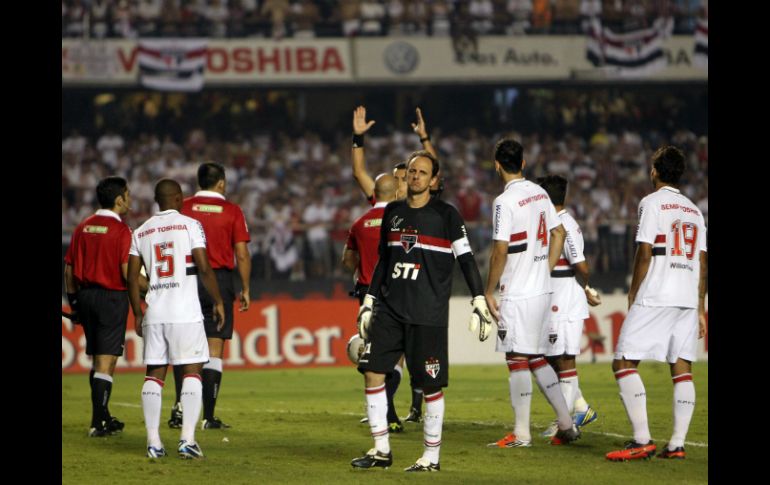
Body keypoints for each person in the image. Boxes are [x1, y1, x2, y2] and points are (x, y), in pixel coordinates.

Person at [350, 151, 494, 472]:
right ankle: (381, 450)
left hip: (427, 314)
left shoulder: (447, 216)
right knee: (372, 372)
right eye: (412, 171)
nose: (415, 177)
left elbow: (466, 259)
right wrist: (370, 301)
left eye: (422, 172)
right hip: (390, 310)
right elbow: (384, 261)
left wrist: (479, 299)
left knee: (430, 386)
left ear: (434, 180)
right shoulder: (393, 212)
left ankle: (431, 457)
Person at [605, 146, 707, 461]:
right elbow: (703, 261)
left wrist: (633, 292)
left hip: (657, 293)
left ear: (654, 172)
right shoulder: (695, 211)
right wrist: (700, 306)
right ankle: (676, 445)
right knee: (682, 368)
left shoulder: (651, 203)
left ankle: (641, 440)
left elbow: (645, 252)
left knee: (623, 362)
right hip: (687, 295)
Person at [484, 139, 581, 449]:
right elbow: (559, 232)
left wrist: (488, 290)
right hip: (542, 291)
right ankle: (566, 423)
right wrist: (545, 268)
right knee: (537, 357)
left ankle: (521, 433)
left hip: (518, 292)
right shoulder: (540, 194)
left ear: (496, 165)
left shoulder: (504, 201)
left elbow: (500, 249)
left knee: (516, 358)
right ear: (523, 163)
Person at [351, 105, 439, 424]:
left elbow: (435, 173)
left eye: (407, 177)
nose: (403, 182)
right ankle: (388, 410)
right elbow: (359, 173)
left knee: (410, 353)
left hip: (414, 286)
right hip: (384, 288)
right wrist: (358, 138)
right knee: (388, 353)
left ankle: (408, 407)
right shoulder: (387, 205)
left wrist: (425, 139)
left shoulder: (420, 204)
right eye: (400, 177)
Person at [127, 178, 225, 459]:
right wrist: (218, 301)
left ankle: (153, 443)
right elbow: (204, 267)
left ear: (157, 200)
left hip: (155, 312)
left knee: (154, 374)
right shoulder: (191, 225)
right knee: (192, 372)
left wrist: (137, 312)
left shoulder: (141, 231)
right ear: (180, 198)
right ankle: (187, 440)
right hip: (185, 312)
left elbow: (131, 277)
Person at [167, 162, 251, 430]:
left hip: (186, 278)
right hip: (220, 280)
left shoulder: (184, 207)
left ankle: (180, 408)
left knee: (184, 346)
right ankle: (209, 417)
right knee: (214, 347)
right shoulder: (232, 211)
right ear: (221, 183)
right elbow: (241, 254)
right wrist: (245, 288)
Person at [64, 176, 145, 437]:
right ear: (119, 199)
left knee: (98, 359)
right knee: (106, 362)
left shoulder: (83, 227)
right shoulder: (122, 231)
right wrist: (154, 286)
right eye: (127, 195)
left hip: (85, 297)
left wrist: (74, 303)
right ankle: (97, 423)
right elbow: (127, 272)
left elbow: (69, 271)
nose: (130, 199)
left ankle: (103, 416)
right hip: (111, 299)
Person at [535, 175, 602, 439]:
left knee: (564, 360)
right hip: (552, 299)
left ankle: (563, 422)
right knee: (547, 359)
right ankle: (580, 407)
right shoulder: (551, 223)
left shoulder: (565, 224)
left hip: (564, 301)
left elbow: (581, 265)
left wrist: (585, 287)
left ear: (545, 198)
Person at [342, 174, 403, 432]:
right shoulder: (401, 219)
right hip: (397, 290)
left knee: (373, 352)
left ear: (374, 193)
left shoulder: (359, 223)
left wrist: (362, 269)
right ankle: (388, 412)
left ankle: (381, 410)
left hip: (367, 293)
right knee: (397, 355)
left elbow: (347, 260)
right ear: (396, 192)